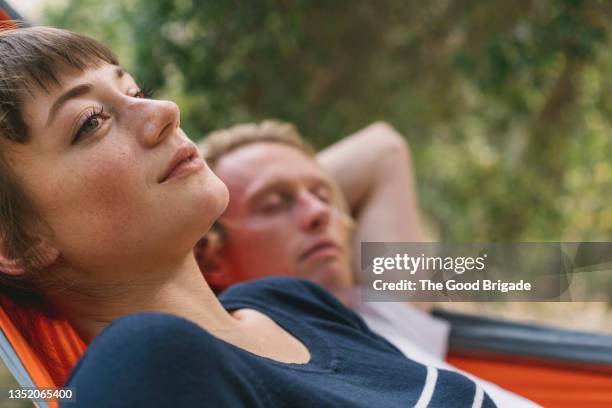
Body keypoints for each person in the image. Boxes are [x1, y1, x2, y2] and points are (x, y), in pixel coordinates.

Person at [0, 25, 500, 407]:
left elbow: (385, 150)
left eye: (135, 91)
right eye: (91, 123)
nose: (164, 110)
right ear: (12, 244)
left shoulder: (294, 302)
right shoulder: (147, 362)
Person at [198, 121, 537, 407]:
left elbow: (383, 149)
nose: (320, 213)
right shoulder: (236, 370)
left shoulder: (379, 315)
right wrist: (190, 223)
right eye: (273, 203)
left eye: (324, 196)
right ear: (212, 260)